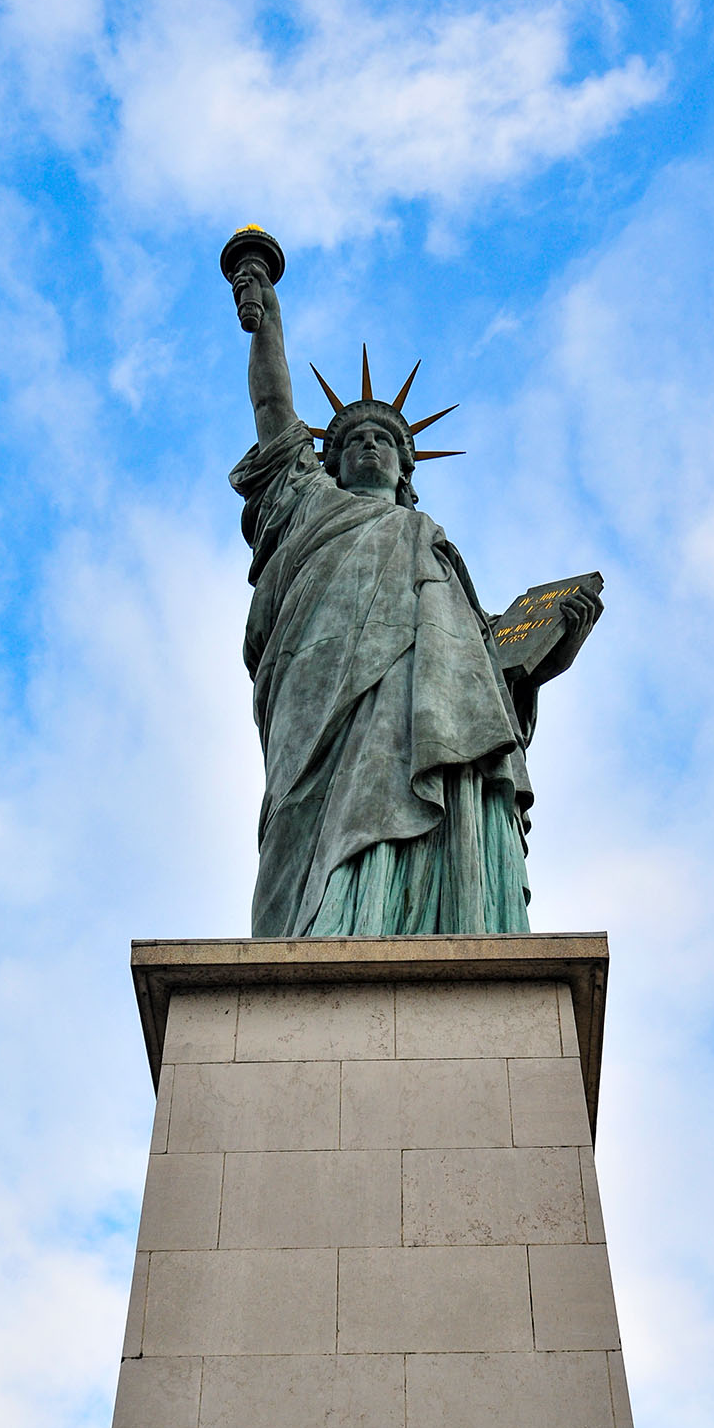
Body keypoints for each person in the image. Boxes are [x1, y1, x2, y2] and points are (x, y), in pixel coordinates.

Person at [227, 246, 599, 938]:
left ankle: (414, 920)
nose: (369, 445)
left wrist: (543, 658)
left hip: (419, 710)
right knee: (308, 821)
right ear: (331, 463)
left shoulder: (430, 541)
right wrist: (265, 316)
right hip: (321, 694)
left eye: (383, 440)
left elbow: (480, 673)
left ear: (404, 469)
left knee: (439, 776)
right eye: (355, 440)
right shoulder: (307, 502)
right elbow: (275, 406)